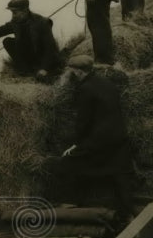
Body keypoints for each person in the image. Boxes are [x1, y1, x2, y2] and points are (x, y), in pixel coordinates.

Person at [44, 54, 135, 225]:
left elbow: (83, 121)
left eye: (72, 70)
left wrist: (76, 144)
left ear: (78, 72)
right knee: (120, 174)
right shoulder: (108, 83)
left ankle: (70, 204)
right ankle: (128, 213)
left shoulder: (85, 89)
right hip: (118, 136)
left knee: (67, 162)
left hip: (98, 140)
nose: (71, 73)